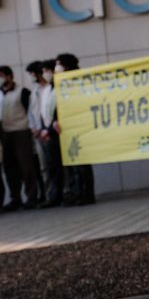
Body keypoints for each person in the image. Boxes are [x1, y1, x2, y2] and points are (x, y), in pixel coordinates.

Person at [0, 65, 40, 210]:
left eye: (0, 75)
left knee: (26, 166)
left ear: (9, 76)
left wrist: (33, 129)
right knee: (9, 168)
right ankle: (15, 198)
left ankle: (32, 196)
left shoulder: (22, 91)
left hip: (21, 131)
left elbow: (30, 111)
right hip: (4, 134)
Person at [52, 53, 95, 205]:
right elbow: (59, 103)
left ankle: (86, 194)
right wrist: (55, 120)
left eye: (59, 64)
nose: (56, 67)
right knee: (72, 162)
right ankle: (76, 193)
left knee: (82, 162)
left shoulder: (79, 79)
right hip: (66, 127)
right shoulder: (60, 81)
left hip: (79, 125)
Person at [37, 59, 64, 208]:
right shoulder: (47, 89)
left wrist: (49, 129)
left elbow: (58, 110)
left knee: (59, 166)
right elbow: (43, 111)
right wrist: (43, 129)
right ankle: (54, 195)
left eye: (47, 71)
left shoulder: (60, 87)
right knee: (51, 166)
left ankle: (63, 193)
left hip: (57, 131)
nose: (45, 74)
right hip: (47, 131)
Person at [25, 60, 52, 202]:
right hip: (38, 133)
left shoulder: (50, 88)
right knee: (44, 166)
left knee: (56, 164)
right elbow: (31, 112)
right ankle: (49, 195)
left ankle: (64, 191)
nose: (30, 76)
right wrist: (33, 128)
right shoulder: (34, 92)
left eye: (31, 73)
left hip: (50, 131)